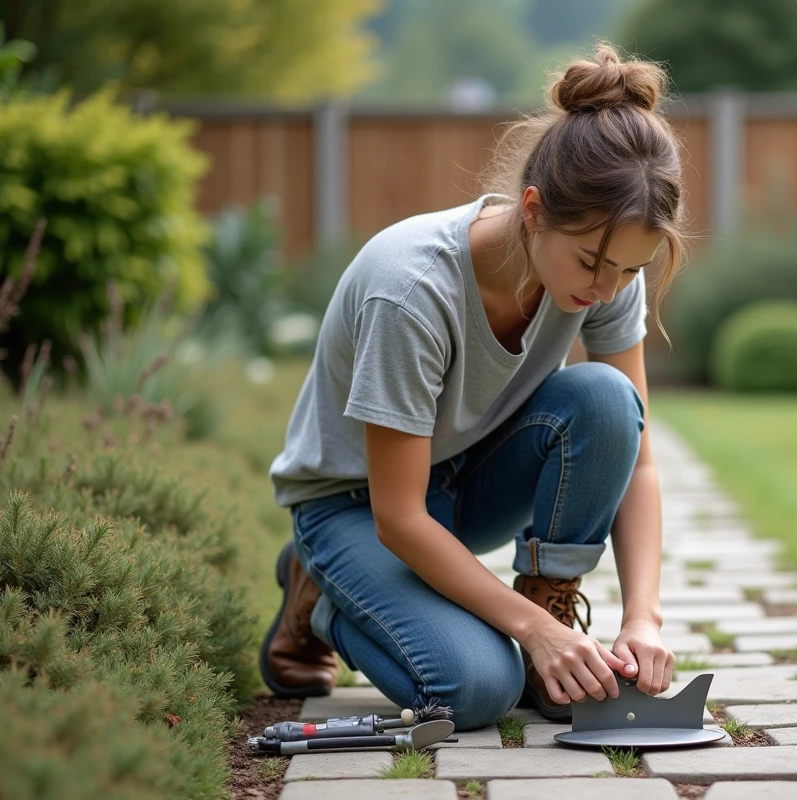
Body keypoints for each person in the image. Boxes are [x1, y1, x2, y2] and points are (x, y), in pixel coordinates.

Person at [260, 42, 691, 731]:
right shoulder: (410, 291)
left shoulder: (605, 273)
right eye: (592, 263)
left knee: (612, 405)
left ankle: (548, 601)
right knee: (481, 691)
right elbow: (399, 516)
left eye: (630, 271)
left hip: (469, 479)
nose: (607, 289)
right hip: (359, 505)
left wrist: (645, 615)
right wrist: (529, 636)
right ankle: (323, 595)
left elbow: (635, 457)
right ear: (532, 210)